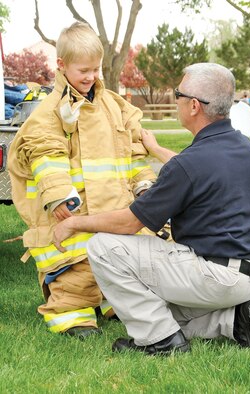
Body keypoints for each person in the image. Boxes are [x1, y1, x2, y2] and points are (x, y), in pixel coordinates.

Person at [53, 62, 250, 354]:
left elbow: (129, 223)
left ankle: (160, 340)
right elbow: (195, 168)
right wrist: (155, 149)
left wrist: (73, 223)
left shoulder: (189, 165)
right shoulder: (242, 147)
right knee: (161, 309)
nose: (176, 98)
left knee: (103, 248)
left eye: (178, 93)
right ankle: (235, 320)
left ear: (194, 106)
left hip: (214, 276)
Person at [8, 22, 157, 339]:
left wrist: (144, 182)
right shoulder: (50, 112)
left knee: (120, 255)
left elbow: (132, 151)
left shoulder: (114, 107)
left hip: (114, 203)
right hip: (76, 206)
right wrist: (58, 195)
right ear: (61, 65)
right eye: (83, 70)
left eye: (96, 69)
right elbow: (45, 153)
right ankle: (72, 313)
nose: (91, 77)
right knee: (78, 266)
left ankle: (114, 301)